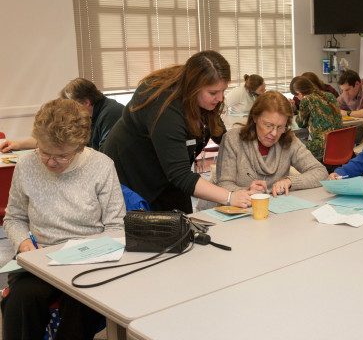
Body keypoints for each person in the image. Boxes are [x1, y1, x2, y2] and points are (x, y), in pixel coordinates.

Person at [2, 98, 125, 339]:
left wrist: (89, 253)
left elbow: (115, 227)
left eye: (61, 156)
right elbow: (14, 217)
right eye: (44, 152)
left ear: (80, 147)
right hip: (41, 259)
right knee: (20, 300)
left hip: (89, 260)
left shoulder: (101, 166)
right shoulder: (26, 164)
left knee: (82, 304)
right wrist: (22, 243)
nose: (49, 162)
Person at [101, 51, 253, 213]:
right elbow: (180, 175)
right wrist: (230, 197)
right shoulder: (165, 108)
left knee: (184, 224)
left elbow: (220, 135)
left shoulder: (200, 96)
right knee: (150, 230)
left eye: (223, 90)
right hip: (133, 175)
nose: (220, 98)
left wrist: (251, 150)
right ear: (193, 87)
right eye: (213, 93)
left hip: (168, 175)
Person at [216, 91, 328, 198]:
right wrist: (246, 191)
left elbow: (321, 172)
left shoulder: (289, 140)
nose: (274, 133)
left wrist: (290, 181)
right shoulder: (233, 139)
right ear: (255, 117)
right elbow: (223, 185)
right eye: (268, 125)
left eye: (280, 127)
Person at [0, 78, 124, 152]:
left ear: (86, 102)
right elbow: (53, 139)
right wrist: (18, 144)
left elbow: (105, 156)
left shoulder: (111, 113)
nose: (71, 110)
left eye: (73, 104)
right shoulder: (87, 115)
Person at [290, 76, 343, 157]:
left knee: (292, 141)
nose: (298, 98)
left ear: (299, 93)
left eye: (297, 96)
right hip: (340, 145)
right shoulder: (330, 95)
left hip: (322, 148)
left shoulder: (306, 100)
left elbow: (301, 123)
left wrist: (294, 110)